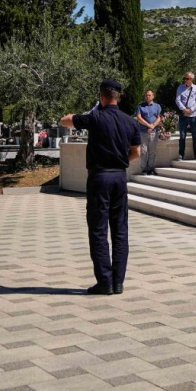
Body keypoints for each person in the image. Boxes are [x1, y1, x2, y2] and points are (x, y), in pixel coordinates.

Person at [59, 80, 141, 295]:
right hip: (119, 177)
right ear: (118, 97)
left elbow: (65, 121)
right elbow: (136, 153)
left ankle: (105, 281)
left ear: (102, 96)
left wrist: (91, 110)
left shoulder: (95, 117)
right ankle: (118, 281)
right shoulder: (130, 122)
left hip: (99, 177)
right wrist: (121, 160)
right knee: (120, 230)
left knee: (98, 229)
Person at [175, 72, 196, 161]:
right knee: (182, 135)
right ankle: (181, 154)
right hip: (183, 115)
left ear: (192, 79)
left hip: (193, 115)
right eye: (185, 78)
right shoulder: (180, 88)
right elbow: (178, 100)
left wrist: (192, 109)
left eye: (188, 78)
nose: (186, 80)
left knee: (195, 135)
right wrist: (184, 109)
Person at [135, 90, 161, 175]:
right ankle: (144, 169)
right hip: (143, 132)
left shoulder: (157, 106)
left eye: (149, 95)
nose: (148, 97)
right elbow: (139, 117)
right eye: (146, 95)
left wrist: (152, 126)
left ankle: (150, 169)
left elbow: (159, 118)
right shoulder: (140, 106)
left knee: (152, 152)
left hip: (154, 132)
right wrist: (148, 125)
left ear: (153, 96)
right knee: (144, 151)